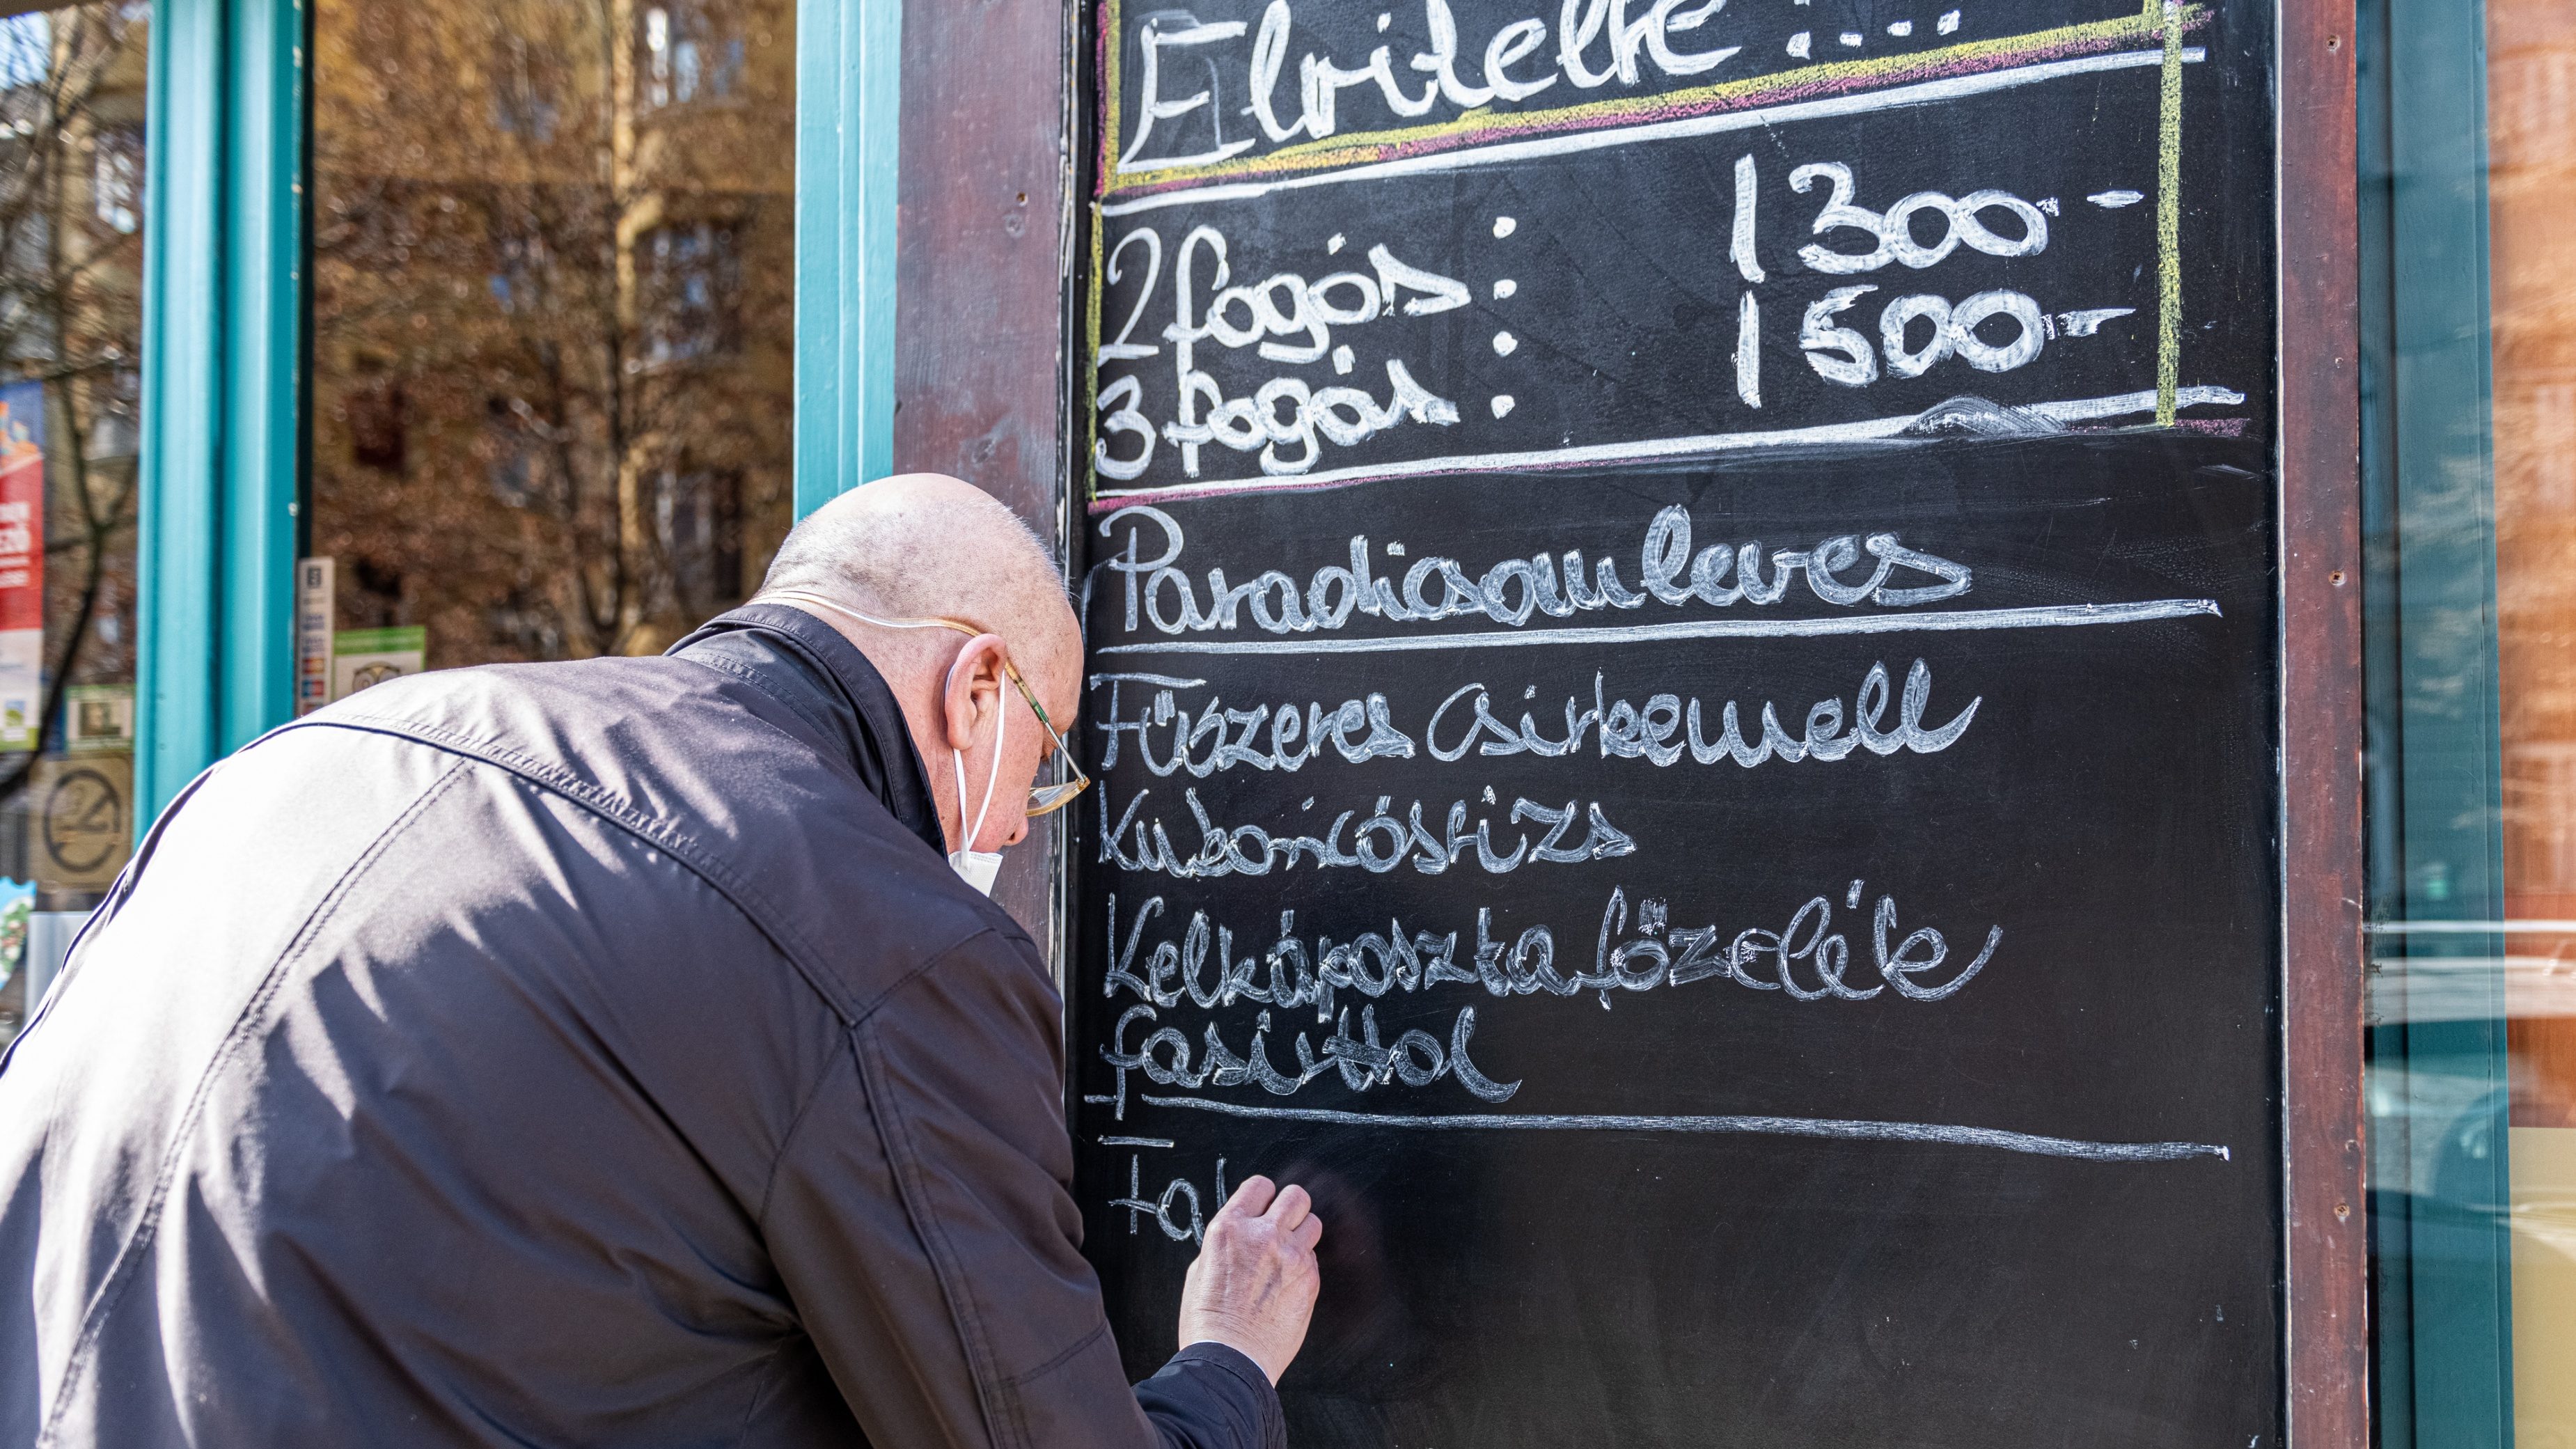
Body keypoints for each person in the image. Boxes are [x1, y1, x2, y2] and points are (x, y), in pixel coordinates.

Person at [0, 474, 1321, 1447]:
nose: (1016, 823)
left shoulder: (318, 755)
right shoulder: (879, 938)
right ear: (977, 689)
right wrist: (1225, 1365)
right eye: (1045, 757)